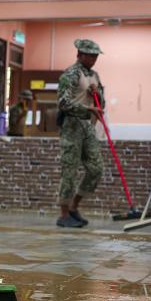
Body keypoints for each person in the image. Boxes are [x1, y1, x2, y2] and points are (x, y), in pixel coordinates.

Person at [56, 39, 105, 229]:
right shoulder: (71, 74)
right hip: (72, 126)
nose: (93, 59)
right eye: (89, 55)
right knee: (70, 170)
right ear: (80, 54)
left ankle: (74, 206)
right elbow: (63, 103)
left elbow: (101, 105)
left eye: (95, 56)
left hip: (88, 126)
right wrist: (87, 110)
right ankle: (63, 214)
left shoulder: (95, 75)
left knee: (96, 168)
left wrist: (97, 95)